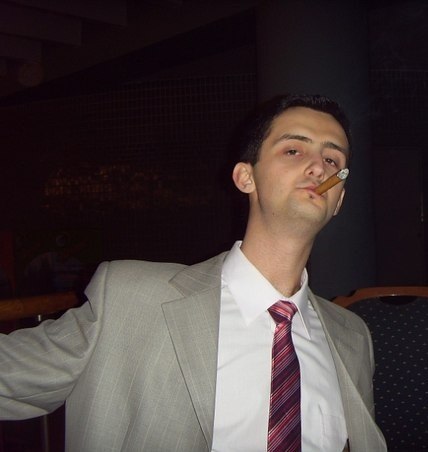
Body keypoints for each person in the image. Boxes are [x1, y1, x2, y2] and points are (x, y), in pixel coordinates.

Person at [0, 94, 386, 452]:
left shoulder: (352, 336)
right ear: (246, 177)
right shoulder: (131, 300)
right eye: (293, 150)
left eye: (333, 160)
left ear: (339, 199)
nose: (318, 167)